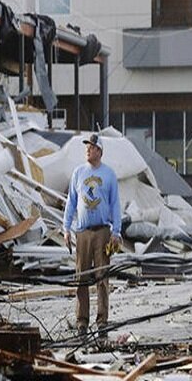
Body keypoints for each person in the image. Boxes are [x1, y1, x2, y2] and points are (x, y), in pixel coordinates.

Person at [63, 133, 121, 335]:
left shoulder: (109, 174)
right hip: (83, 232)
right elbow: (71, 202)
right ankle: (82, 322)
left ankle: (102, 321)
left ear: (100, 151)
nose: (88, 149)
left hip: (103, 232)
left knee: (102, 278)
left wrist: (117, 231)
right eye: (87, 146)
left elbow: (115, 205)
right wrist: (66, 228)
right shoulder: (78, 173)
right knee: (81, 278)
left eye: (92, 147)